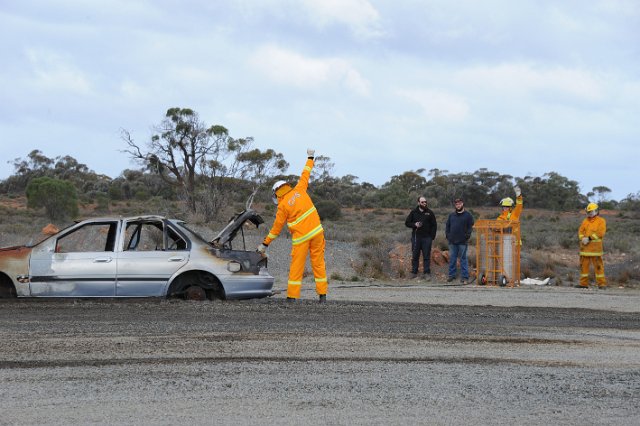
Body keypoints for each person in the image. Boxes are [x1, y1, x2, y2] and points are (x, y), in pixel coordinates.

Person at [257, 149, 328, 303]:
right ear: (286, 186)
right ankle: (322, 296)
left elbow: (276, 230)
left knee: (297, 267)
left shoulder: (282, 207)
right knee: (319, 264)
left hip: (301, 238)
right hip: (317, 233)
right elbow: (306, 172)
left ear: (277, 193)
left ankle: (292, 297)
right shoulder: (300, 189)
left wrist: (265, 244)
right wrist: (310, 157)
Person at [404, 196, 437, 280]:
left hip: (427, 238)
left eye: (425, 202)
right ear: (418, 203)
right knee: (415, 255)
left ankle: (426, 273)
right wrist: (414, 224)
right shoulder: (413, 212)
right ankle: (414, 272)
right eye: (422, 202)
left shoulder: (430, 213)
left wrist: (432, 237)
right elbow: (407, 223)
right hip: (416, 237)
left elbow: (434, 225)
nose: (424, 203)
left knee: (426, 256)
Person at [577, 203, 607, 289]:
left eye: (591, 211)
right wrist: (582, 238)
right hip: (585, 249)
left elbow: (600, 233)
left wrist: (589, 238)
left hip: (596, 250)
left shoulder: (601, 221)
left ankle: (601, 284)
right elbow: (580, 231)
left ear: (596, 211)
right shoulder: (585, 221)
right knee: (583, 267)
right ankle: (583, 284)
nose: (589, 213)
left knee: (598, 267)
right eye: (588, 212)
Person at [445, 198, 474, 283]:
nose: (458, 205)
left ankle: (464, 276)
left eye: (459, 204)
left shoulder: (468, 215)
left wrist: (467, 236)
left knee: (463, 259)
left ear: (462, 204)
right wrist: (448, 235)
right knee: (452, 258)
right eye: (456, 204)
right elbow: (447, 226)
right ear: (455, 205)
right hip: (452, 241)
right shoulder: (451, 215)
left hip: (462, 242)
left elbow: (470, 226)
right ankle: (451, 275)